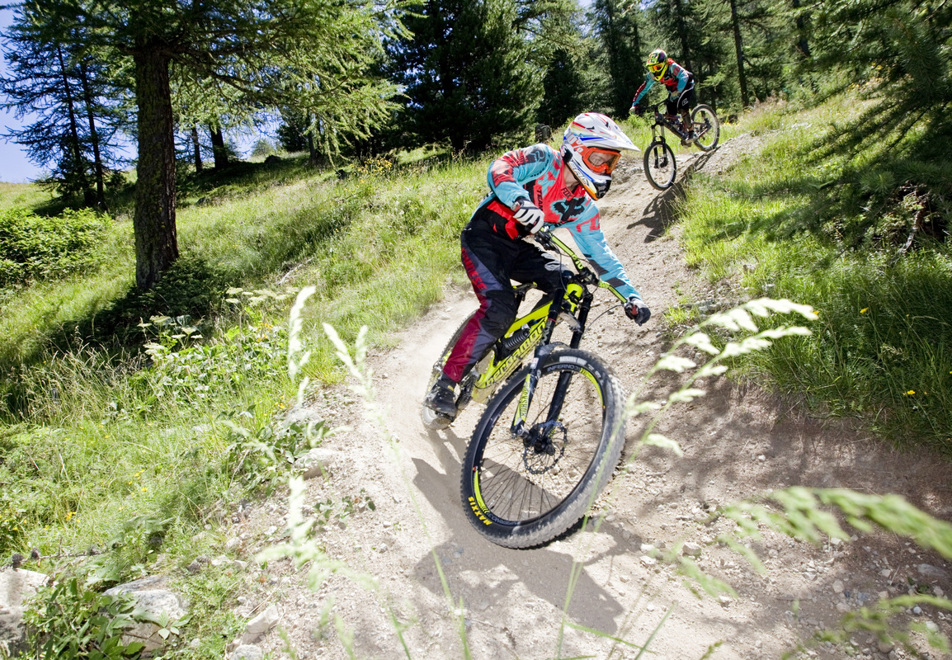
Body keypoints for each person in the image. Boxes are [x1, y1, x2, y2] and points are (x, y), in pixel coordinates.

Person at [423, 112, 651, 420]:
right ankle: (445, 384)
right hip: (484, 237)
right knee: (499, 309)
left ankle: (516, 341)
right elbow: (500, 168)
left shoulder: (582, 205)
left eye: (611, 163)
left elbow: (600, 254)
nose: (605, 169)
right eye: (599, 159)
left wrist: (630, 295)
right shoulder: (545, 159)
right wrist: (520, 201)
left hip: (518, 247)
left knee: (572, 286)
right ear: (576, 148)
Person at [630, 49, 697, 144]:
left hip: (686, 85)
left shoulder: (672, 67)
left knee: (682, 107)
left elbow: (684, 76)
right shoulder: (652, 75)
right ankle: (683, 132)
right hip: (673, 91)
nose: (655, 71)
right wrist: (635, 103)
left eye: (658, 67)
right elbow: (643, 89)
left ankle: (691, 132)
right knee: (670, 116)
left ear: (665, 63)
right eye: (652, 68)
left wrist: (678, 90)